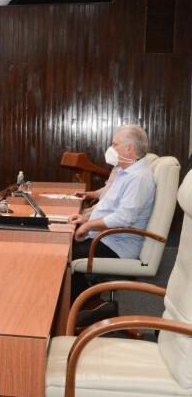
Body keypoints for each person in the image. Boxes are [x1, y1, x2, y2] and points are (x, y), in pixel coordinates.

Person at [68, 125, 156, 300]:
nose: (111, 148)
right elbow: (110, 206)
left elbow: (124, 218)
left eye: (115, 144)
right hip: (106, 236)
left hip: (117, 244)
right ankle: (88, 300)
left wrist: (88, 225)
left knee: (65, 256)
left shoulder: (138, 178)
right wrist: (85, 218)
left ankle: (85, 304)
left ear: (129, 148)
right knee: (64, 244)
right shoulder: (125, 172)